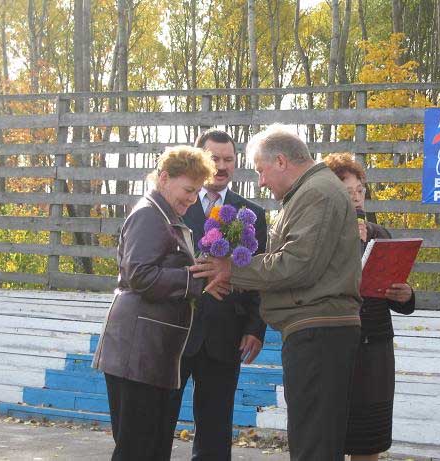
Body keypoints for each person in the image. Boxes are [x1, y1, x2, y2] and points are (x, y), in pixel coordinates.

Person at [191, 125, 362, 460]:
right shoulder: (309, 191)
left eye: (261, 170)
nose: (261, 182)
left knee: (313, 441)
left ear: (281, 161)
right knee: (311, 435)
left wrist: (231, 270)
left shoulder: (317, 193)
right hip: (314, 329)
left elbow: (298, 264)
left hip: (319, 331)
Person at [92, 146, 225, 461]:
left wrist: (201, 276)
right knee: (137, 449)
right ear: (164, 178)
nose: (192, 199)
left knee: (149, 449)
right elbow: (140, 274)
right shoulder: (150, 215)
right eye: (188, 190)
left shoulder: (165, 215)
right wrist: (196, 281)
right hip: (137, 353)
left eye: (197, 192)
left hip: (150, 353)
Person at [168, 129, 267, 460]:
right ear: (199, 160)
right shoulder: (175, 205)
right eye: (214, 159)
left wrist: (255, 327)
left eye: (229, 160)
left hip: (226, 336)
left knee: (215, 429)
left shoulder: (252, 214)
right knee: (158, 421)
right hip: (177, 332)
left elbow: (260, 277)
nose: (222, 166)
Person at [324, 154, 415, 461]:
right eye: (348, 192)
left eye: (360, 190)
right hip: (335, 345)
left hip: (375, 347)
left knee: (369, 438)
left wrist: (404, 294)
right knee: (330, 432)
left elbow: (390, 291)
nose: (357, 197)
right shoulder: (320, 234)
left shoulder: (379, 233)